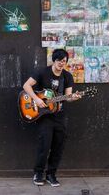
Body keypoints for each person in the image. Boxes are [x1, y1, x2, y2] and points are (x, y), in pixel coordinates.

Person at [22, 48, 80, 187]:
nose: (61, 63)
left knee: (58, 146)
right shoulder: (42, 72)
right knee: (44, 145)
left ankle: (51, 174)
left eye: (64, 61)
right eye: (59, 61)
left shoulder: (67, 76)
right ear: (54, 60)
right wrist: (36, 99)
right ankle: (38, 173)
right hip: (44, 116)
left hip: (59, 116)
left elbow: (68, 97)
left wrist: (74, 97)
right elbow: (26, 85)